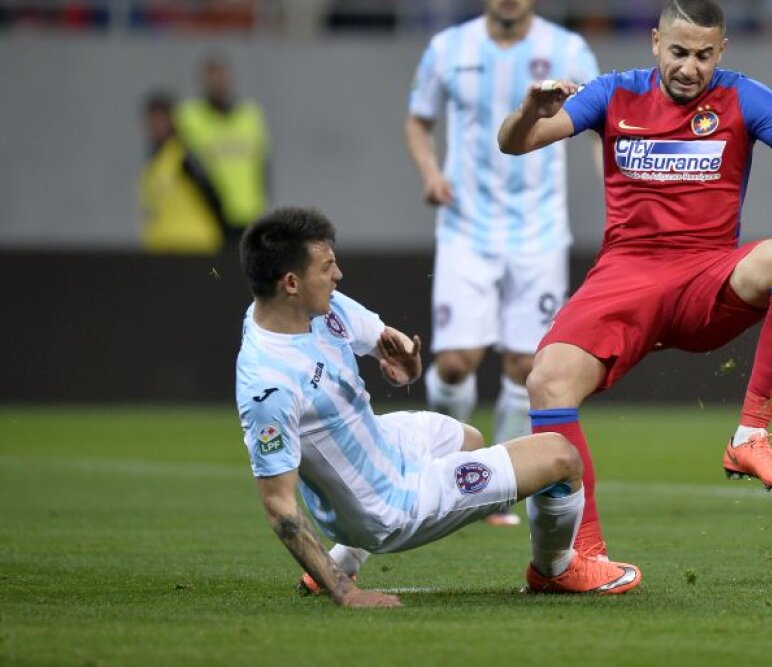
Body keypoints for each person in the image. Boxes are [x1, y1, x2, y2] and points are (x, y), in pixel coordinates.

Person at [498, 0, 772, 564]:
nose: (690, 68)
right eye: (680, 52)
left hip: (705, 276)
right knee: (547, 383)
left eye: (705, 56)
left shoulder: (744, 97)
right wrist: (529, 113)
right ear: (656, 43)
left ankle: (750, 438)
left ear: (722, 51)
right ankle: (582, 555)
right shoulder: (614, 92)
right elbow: (514, 144)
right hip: (625, 275)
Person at [234, 207, 641, 608]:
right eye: (327, 267)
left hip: (383, 445)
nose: (337, 275)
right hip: (387, 505)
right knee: (561, 456)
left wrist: (405, 363)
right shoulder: (269, 386)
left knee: (469, 438)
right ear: (290, 282)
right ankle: (555, 571)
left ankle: (345, 555)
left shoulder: (316, 308)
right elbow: (279, 507)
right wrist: (347, 593)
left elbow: (386, 345)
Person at [404, 0, 601, 526]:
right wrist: (431, 172)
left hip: (540, 231)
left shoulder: (568, 49)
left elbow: (601, 125)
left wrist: (615, 188)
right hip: (466, 226)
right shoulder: (448, 48)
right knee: (459, 362)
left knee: (524, 366)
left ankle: (494, 485)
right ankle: (448, 464)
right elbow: (418, 121)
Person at [175, 52, 270, 245]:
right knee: (214, 274)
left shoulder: (250, 116)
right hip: (208, 219)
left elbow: (263, 164)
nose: (218, 82)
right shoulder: (189, 116)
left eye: (222, 75)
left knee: (245, 271)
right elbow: (187, 166)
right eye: (212, 76)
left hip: (249, 214)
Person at [137, 91, 226, 254]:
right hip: (165, 245)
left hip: (193, 244)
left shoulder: (184, 157)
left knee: (212, 277)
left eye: (161, 120)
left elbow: (211, 194)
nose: (156, 126)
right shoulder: (154, 164)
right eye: (152, 120)